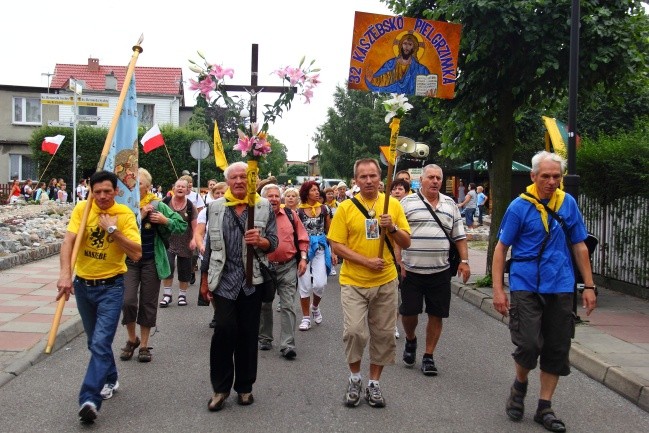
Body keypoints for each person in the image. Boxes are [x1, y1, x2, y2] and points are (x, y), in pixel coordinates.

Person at [491, 151, 597, 433]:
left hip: (561, 285)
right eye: (546, 176)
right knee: (528, 344)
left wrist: (588, 285)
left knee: (557, 348)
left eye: (556, 176)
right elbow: (501, 249)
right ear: (533, 176)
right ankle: (520, 383)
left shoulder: (568, 204)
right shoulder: (519, 207)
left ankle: (544, 407)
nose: (551, 182)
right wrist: (498, 289)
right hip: (526, 283)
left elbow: (579, 245)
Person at [56, 170, 142, 424]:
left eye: (107, 191)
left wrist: (112, 230)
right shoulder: (82, 209)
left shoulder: (125, 214)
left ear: (117, 191)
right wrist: (64, 275)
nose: (102, 196)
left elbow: (136, 252)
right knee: (95, 341)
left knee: (100, 342)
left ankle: (89, 399)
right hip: (83, 285)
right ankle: (111, 378)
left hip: (111, 287)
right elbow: (68, 243)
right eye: (97, 192)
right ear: (90, 191)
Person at [328, 158, 411, 409]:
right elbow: (337, 244)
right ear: (355, 180)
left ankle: (374, 383)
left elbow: (406, 242)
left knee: (384, 335)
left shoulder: (393, 205)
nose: (368, 181)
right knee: (354, 331)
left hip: (385, 281)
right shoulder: (345, 208)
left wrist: (393, 227)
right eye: (363, 177)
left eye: (373, 176)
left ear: (380, 178)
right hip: (354, 281)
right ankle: (355, 378)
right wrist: (365, 261)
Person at [202, 161, 278, 412]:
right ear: (228, 181)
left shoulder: (263, 206)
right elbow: (209, 247)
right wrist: (205, 280)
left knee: (247, 334)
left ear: (251, 180)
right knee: (224, 330)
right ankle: (220, 389)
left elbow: (274, 243)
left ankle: (245, 387)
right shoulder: (215, 207)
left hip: (251, 281)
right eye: (233, 178)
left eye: (243, 177)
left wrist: (262, 241)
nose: (238, 181)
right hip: (223, 280)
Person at [399, 164, 470, 376]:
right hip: (411, 270)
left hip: (440, 270)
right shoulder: (406, 203)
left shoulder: (450, 204)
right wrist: (399, 261)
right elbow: (397, 235)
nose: (435, 181)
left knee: (436, 314)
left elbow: (459, 236)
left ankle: (428, 356)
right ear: (421, 180)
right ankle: (411, 339)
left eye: (438, 178)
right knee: (409, 313)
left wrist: (464, 261)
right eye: (431, 177)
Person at [120, 168, 187, 363]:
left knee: (148, 303)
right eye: (132, 184)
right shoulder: (125, 205)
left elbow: (181, 226)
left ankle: (144, 345)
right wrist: (140, 215)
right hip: (129, 261)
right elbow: (120, 230)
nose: (134, 187)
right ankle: (132, 339)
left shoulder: (158, 204)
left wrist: (165, 220)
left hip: (151, 260)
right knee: (128, 301)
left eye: (139, 184)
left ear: (149, 187)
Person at [258, 183, 309, 358]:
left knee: (288, 305)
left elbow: (303, 238)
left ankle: (287, 344)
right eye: (269, 196)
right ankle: (265, 338)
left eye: (275, 196)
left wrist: (303, 259)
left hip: (288, 266)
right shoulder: (257, 216)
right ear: (263, 198)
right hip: (264, 267)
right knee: (265, 304)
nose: (273, 199)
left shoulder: (290, 214)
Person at [296, 180, 336, 331]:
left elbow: (330, 232)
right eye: (313, 190)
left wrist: (333, 252)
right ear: (306, 193)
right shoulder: (298, 212)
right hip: (303, 249)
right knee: (304, 285)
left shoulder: (324, 209)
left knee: (320, 283)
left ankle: (315, 307)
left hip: (320, 248)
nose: (317, 192)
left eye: (317, 190)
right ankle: (306, 317)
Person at [160, 178, 198, 307]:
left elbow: (195, 226)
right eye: (178, 186)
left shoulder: (190, 206)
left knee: (184, 270)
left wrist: (194, 240)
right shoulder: (165, 202)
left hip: (185, 241)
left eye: (183, 187)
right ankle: (167, 295)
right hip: (168, 241)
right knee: (168, 266)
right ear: (173, 188)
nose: (180, 188)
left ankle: (182, 295)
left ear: (188, 190)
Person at [365, 33, 431, 95]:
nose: (406, 47)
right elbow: (380, 80)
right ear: (401, 45)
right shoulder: (390, 64)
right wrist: (371, 80)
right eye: (405, 43)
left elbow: (427, 87)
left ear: (414, 48)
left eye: (410, 44)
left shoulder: (421, 70)